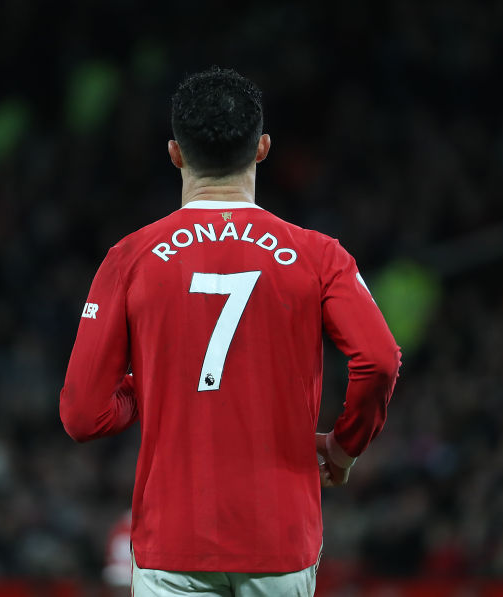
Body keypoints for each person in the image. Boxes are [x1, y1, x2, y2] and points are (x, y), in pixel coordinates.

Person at [60, 66, 401, 596]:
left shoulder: (130, 257)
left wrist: (144, 384)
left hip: (174, 542)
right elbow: (379, 360)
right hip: (279, 540)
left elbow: (83, 415)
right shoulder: (318, 255)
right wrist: (343, 447)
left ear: (175, 153)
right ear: (262, 148)